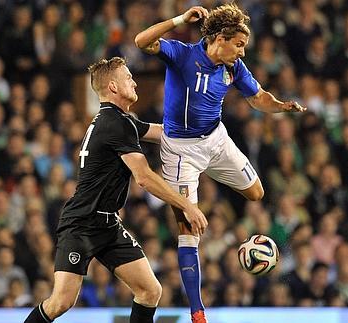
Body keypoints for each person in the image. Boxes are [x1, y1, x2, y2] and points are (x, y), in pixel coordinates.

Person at [135, 4, 306, 322]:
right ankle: (197, 311)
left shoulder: (234, 68)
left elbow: (258, 98)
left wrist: (282, 106)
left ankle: (150, 133)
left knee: (257, 193)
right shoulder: (183, 55)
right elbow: (141, 41)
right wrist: (179, 20)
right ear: (221, 38)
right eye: (239, 44)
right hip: (182, 153)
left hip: (217, 140)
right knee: (189, 230)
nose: (242, 52)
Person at [24, 57, 207, 323]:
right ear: (112, 86)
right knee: (61, 302)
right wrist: (187, 205)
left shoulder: (120, 120)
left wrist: (203, 135)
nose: (134, 82)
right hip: (82, 223)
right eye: (128, 77)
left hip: (107, 223)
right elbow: (143, 177)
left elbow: (160, 132)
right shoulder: (115, 124)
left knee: (149, 291)